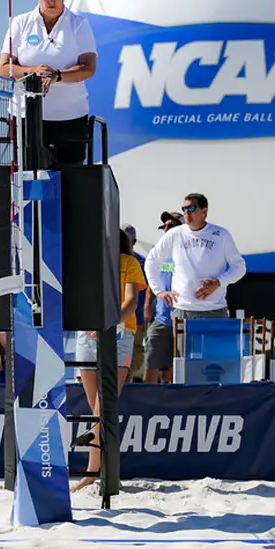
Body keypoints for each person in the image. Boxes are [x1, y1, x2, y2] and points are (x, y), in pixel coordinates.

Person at [0, 0, 98, 168]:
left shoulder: (79, 24)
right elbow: (4, 68)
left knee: (71, 181)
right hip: (25, 118)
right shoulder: (20, 23)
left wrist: (57, 75)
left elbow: (88, 68)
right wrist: (33, 72)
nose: (51, 1)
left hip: (70, 119)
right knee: (27, 179)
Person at [71, 229, 146, 493]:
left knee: (103, 405)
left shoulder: (129, 262)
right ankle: (101, 470)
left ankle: (93, 471)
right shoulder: (89, 264)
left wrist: (107, 324)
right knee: (97, 407)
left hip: (119, 334)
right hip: (87, 335)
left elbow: (131, 301)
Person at [144, 193, 246, 321]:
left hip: (214, 309)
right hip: (182, 310)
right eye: (184, 208)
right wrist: (158, 291)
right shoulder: (174, 234)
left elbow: (239, 267)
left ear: (204, 212)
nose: (186, 212)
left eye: (191, 208)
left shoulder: (221, 235)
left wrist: (219, 282)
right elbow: (152, 260)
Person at [143, 211, 183, 383]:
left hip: (182, 318)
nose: (166, 229)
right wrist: (147, 305)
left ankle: (171, 395)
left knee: (176, 366)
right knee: (151, 361)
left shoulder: (188, 252)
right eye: (164, 227)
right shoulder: (158, 252)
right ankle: (147, 398)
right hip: (161, 318)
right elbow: (152, 282)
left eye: (171, 226)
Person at [121, 224, 149, 381]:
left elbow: (147, 290)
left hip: (135, 318)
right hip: (114, 318)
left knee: (135, 351)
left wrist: (146, 310)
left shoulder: (141, 262)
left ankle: (129, 379)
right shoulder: (107, 261)